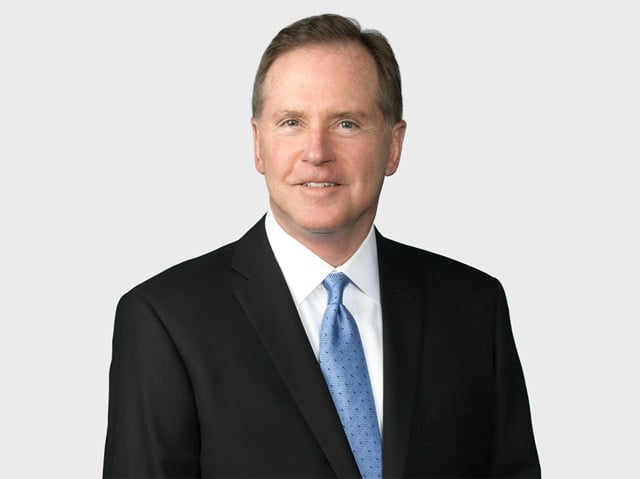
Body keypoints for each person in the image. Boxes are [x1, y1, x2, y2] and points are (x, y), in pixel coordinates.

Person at [103, 13, 540, 479]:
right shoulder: (165, 320)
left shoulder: (474, 307)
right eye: (291, 122)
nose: (317, 152)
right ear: (258, 144)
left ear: (393, 146)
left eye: (347, 123)